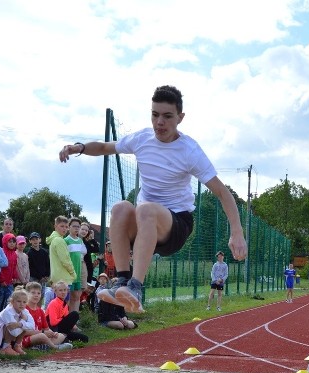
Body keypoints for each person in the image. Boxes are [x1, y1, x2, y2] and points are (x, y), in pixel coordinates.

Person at [59, 85, 247, 313]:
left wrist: (236, 232)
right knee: (120, 208)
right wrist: (77, 147)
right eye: (155, 115)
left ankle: (136, 287)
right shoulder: (142, 139)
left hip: (176, 224)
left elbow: (221, 191)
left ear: (180, 118)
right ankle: (122, 282)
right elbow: (104, 147)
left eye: (167, 117)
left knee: (145, 209)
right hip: (144, 225)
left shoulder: (189, 151)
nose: (160, 122)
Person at [22, 281, 72, 351]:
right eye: (33, 293)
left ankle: (42, 346)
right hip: (25, 338)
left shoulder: (40, 311)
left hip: (41, 336)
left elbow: (47, 329)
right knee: (42, 336)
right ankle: (55, 347)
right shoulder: (24, 309)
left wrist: (53, 333)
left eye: (38, 293)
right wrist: (42, 333)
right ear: (27, 294)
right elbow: (22, 331)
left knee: (61, 336)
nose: (36, 295)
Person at [0, 287, 35, 356]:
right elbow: (14, 333)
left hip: (13, 337)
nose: (22, 304)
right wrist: (23, 321)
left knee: (24, 327)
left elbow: (32, 326)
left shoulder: (25, 311)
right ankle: (5, 347)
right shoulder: (7, 312)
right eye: (19, 301)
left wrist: (20, 324)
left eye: (24, 302)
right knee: (10, 326)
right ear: (12, 302)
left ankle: (16, 346)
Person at [47, 216, 76, 300]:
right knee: (63, 307)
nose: (65, 229)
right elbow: (66, 260)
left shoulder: (54, 239)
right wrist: (73, 273)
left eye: (66, 227)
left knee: (58, 306)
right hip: (63, 278)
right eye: (62, 226)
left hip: (57, 277)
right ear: (55, 226)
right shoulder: (59, 240)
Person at [64, 218, 85, 312]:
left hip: (78, 273)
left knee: (76, 297)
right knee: (67, 298)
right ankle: (66, 320)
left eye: (78, 226)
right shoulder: (66, 240)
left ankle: (74, 320)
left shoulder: (80, 241)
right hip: (69, 274)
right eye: (74, 226)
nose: (76, 228)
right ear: (69, 227)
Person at [0, 233, 19, 315]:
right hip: (1, 281)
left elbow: (14, 266)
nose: (12, 243)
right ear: (5, 242)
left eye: (14, 241)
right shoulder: (2, 252)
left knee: (9, 300)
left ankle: (6, 317)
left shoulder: (14, 254)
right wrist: (2, 280)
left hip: (10, 282)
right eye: (10, 241)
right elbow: (0, 268)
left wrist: (15, 277)